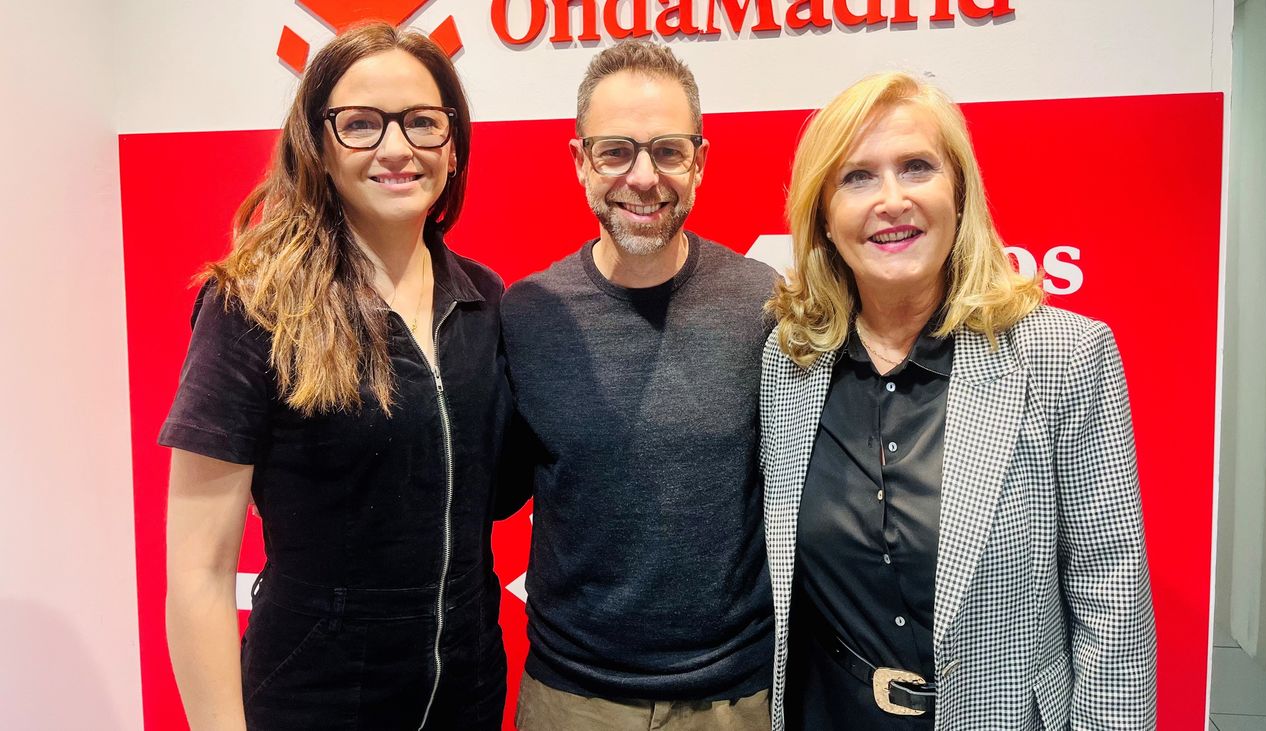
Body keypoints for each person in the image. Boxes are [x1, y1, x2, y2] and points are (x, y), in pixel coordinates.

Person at [761, 72, 1157, 730]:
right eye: (857, 176)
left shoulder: (1064, 356)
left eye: (917, 166)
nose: (893, 199)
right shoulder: (789, 363)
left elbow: (1112, 597)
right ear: (824, 216)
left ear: (959, 192)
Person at [160, 22, 508, 731]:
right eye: (360, 125)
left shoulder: (482, 297)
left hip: (466, 695)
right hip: (312, 702)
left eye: (422, 122)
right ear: (317, 143)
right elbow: (198, 571)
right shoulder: (253, 304)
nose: (396, 147)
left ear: (454, 142)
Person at [499, 41, 777, 730]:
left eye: (668, 150)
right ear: (580, 162)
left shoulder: (765, 303)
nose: (644, 177)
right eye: (616, 151)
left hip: (733, 699)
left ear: (701, 160)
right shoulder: (529, 313)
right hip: (570, 699)